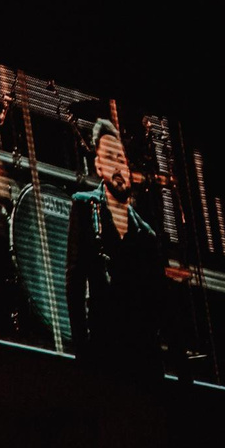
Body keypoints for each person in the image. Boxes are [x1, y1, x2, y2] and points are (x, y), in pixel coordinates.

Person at [65, 118, 165, 376]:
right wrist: (82, 352)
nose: (118, 167)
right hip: (102, 351)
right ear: (98, 166)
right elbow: (74, 281)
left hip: (143, 359)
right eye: (110, 158)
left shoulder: (146, 234)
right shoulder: (85, 207)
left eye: (121, 159)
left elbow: (158, 303)